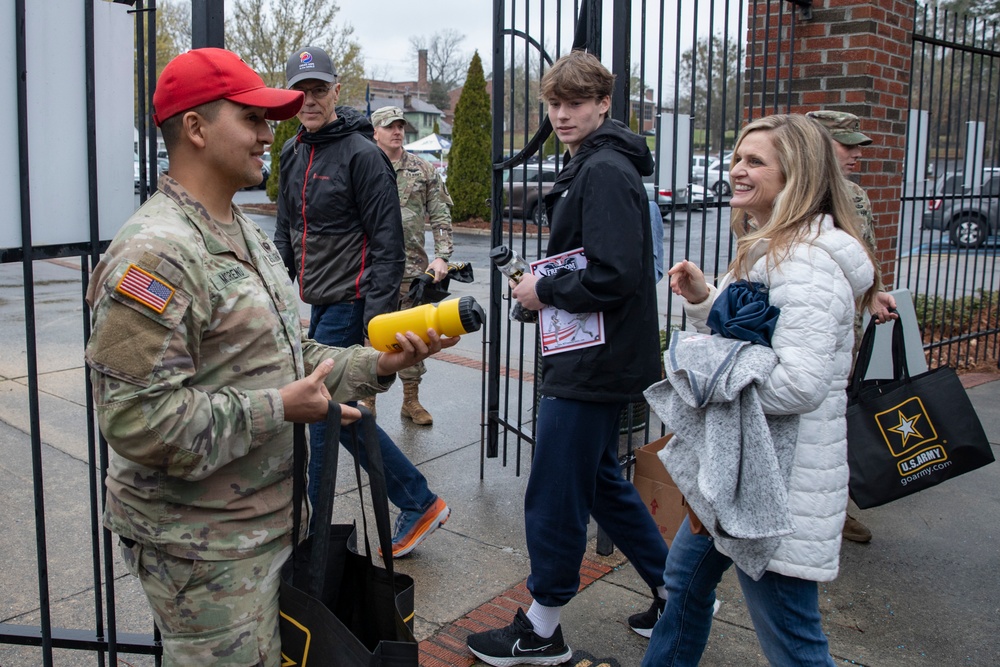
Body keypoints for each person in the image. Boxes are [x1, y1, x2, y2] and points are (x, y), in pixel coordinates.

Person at [85, 48, 455, 666]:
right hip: (202, 550)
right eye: (251, 118)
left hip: (264, 532)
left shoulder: (242, 231)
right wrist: (280, 410)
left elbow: (294, 355)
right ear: (196, 129)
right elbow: (134, 419)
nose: (268, 132)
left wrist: (375, 365)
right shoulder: (155, 255)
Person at [641, 114, 877, 666]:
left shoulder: (808, 263)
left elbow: (798, 384)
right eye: (736, 158)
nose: (737, 171)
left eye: (755, 161)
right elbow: (743, 331)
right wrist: (704, 300)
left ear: (796, 174)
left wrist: (709, 367)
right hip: (742, 465)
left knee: (792, 638)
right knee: (684, 582)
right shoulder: (770, 245)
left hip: (778, 481)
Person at [465, 50, 670, 666]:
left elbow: (614, 273)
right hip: (599, 354)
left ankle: (542, 628)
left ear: (603, 103)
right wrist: (546, 290)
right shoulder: (598, 163)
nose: (562, 114)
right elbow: (601, 267)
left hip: (592, 362)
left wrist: (542, 291)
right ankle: (676, 589)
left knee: (555, 489)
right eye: (554, 104)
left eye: (576, 102)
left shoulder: (602, 168)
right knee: (601, 481)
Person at [275, 46, 451, 557]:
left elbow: (388, 242)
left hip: (352, 300)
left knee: (323, 414)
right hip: (318, 301)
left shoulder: (361, 153)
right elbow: (287, 228)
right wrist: (275, 288)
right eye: (299, 91)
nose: (309, 100)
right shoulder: (293, 152)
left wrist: (375, 317)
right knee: (343, 412)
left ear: (334, 91)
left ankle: (312, 539)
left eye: (318, 89)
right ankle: (418, 500)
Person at [807, 109, 898, 544]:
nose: (857, 154)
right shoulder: (781, 190)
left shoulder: (855, 196)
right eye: (848, 145)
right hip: (797, 325)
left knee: (832, 417)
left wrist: (875, 291)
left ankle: (833, 512)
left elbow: (866, 257)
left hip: (840, 328)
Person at [369, 105, 455, 425]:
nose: (398, 131)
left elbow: (441, 214)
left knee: (412, 335)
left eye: (401, 126)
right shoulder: (363, 165)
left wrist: (442, 255)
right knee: (370, 335)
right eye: (390, 126)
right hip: (371, 268)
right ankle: (367, 399)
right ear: (375, 130)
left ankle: (411, 401)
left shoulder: (422, 169)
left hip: (411, 269)